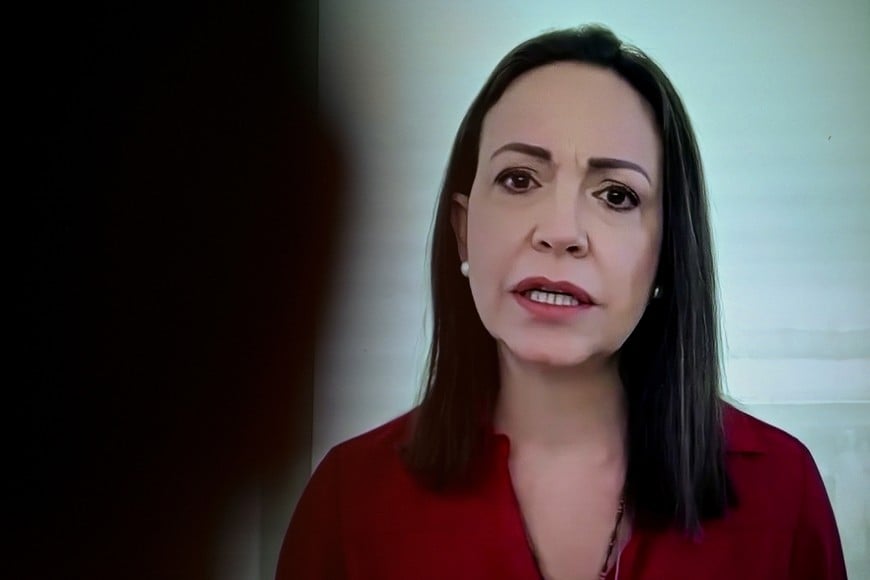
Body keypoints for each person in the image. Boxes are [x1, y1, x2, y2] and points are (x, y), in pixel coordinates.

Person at [277, 25, 847, 580]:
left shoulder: (781, 493)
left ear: (668, 254)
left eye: (617, 195)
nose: (560, 231)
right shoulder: (349, 500)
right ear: (463, 229)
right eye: (520, 179)